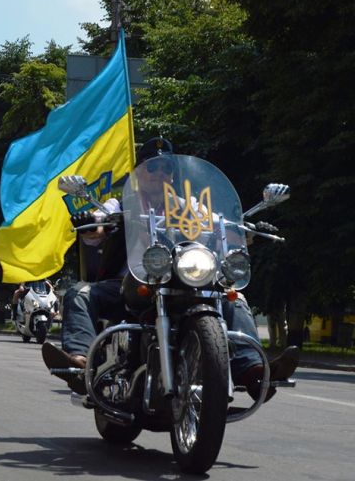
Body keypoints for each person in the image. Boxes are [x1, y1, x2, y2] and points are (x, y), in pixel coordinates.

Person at [42, 137, 299, 400]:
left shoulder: (190, 207)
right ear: (139, 174)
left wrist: (247, 230)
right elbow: (95, 229)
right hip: (132, 284)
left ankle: (253, 372)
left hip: (186, 279)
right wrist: (91, 222)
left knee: (234, 298)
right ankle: (79, 363)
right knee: (80, 292)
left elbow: (222, 225)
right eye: (152, 167)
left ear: (174, 176)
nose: (160, 173)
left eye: (167, 168)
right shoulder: (120, 204)